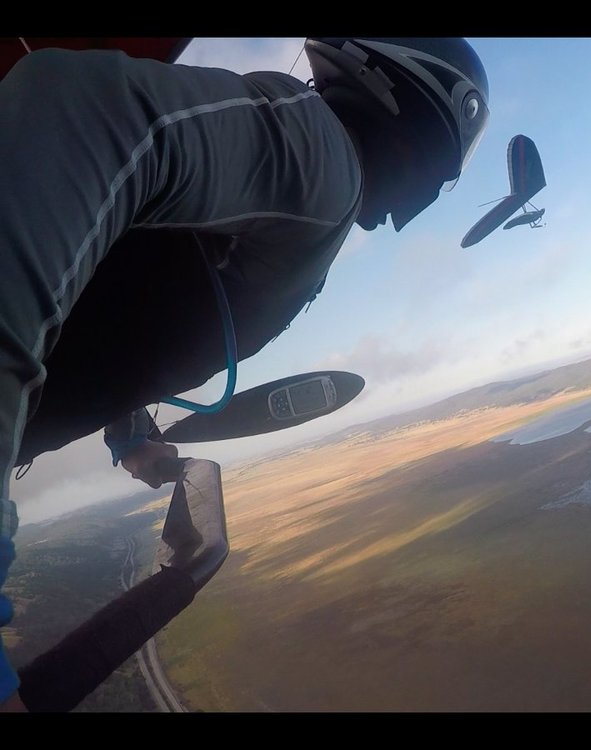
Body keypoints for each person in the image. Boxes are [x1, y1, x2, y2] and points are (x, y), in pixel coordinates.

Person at [0, 37, 490, 711]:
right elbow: (76, 104)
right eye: (429, 168)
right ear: (407, 126)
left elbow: (123, 274)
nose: (422, 191)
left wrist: (130, 431)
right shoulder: (324, 163)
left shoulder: (313, 198)